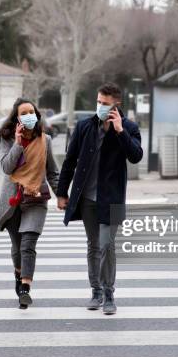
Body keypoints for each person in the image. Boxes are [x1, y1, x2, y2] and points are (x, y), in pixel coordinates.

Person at [56, 82, 143, 315]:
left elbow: (136, 156)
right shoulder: (85, 127)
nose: (100, 106)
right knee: (93, 245)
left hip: (111, 198)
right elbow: (70, 161)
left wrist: (120, 131)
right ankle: (95, 291)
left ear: (116, 104)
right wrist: (62, 192)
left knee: (107, 245)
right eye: (98, 102)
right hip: (86, 198)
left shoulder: (129, 127)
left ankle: (109, 294)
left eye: (105, 103)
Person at [0, 98, 59, 309]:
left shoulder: (45, 140)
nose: (29, 115)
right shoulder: (8, 139)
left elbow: (52, 173)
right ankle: (19, 275)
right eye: (24, 113)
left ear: (37, 115)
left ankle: (25, 289)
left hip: (37, 198)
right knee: (17, 246)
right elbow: (6, 167)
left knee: (28, 243)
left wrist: (63, 197)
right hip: (13, 200)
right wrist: (18, 144)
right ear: (17, 118)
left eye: (32, 112)